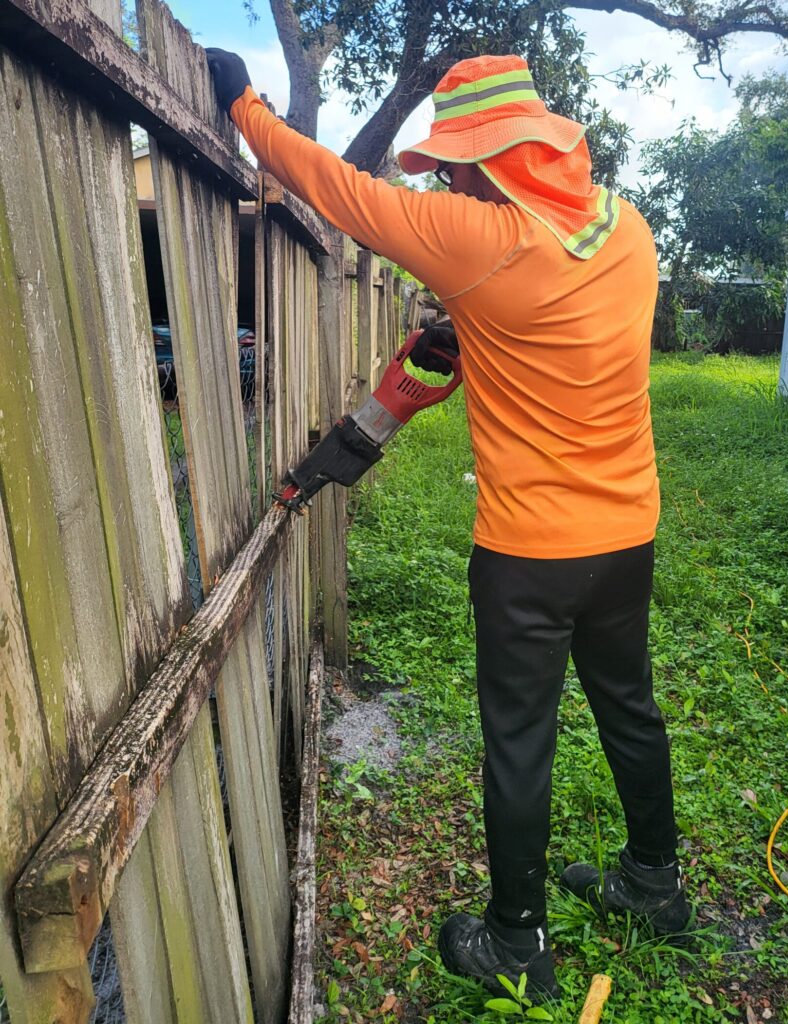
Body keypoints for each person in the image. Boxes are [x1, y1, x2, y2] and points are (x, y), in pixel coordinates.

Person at [206, 49, 691, 1001]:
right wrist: (471, 335)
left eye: (458, 162)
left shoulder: (476, 238)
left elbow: (335, 188)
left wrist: (244, 105)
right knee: (628, 707)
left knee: (520, 739)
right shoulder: (630, 232)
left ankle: (516, 940)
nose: (450, 179)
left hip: (528, 554)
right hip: (626, 534)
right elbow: (563, 334)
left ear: (492, 157)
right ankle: (653, 887)